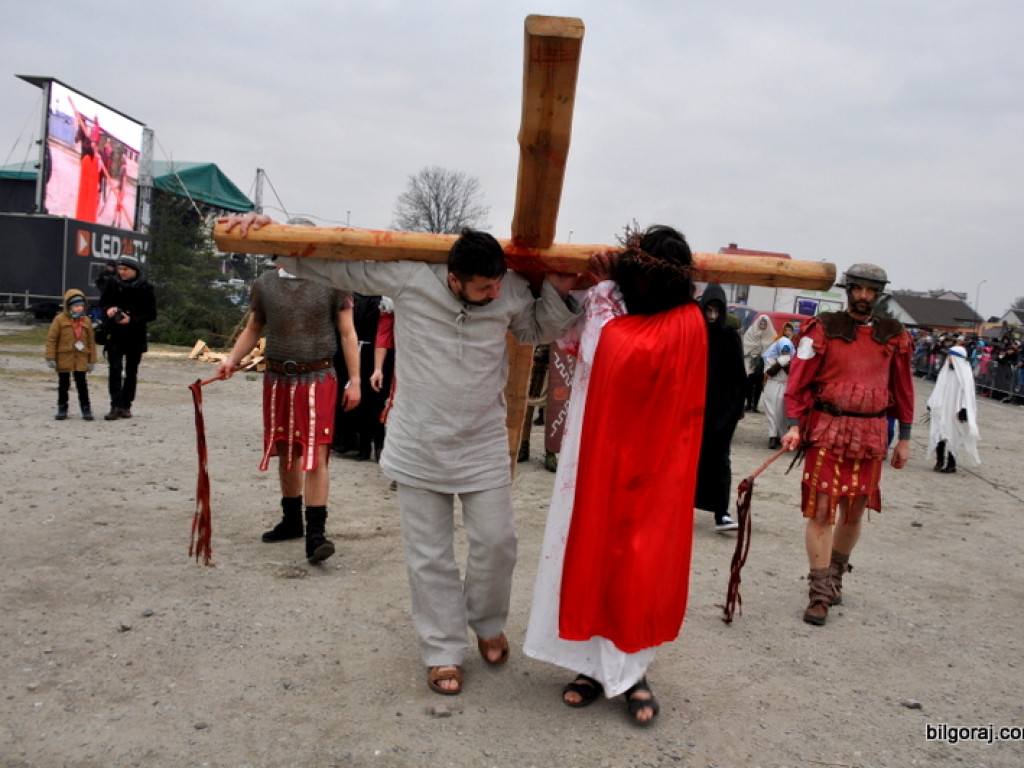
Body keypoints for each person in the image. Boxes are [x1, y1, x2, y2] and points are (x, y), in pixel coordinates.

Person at [222, 215, 583, 696]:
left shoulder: (510, 289)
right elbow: (338, 270)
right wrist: (274, 238)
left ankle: (488, 621)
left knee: (498, 543)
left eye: (496, 285)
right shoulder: (411, 278)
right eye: (481, 287)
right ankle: (441, 650)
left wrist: (557, 291)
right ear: (453, 278)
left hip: (482, 442)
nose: (494, 294)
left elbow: (536, 329)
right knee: (429, 554)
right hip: (418, 442)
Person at [524, 224, 707, 726]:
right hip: (596, 451)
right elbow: (574, 339)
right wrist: (599, 289)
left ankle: (631, 671)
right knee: (588, 550)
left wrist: (602, 290)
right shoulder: (613, 304)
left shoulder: (686, 320)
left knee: (639, 562)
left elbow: (619, 348)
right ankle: (589, 666)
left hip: (655, 464)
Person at [217, 221, 361, 564]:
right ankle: (291, 520)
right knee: (285, 449)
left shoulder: (331, 282)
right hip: (279, 379)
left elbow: (347, 334)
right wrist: (231, 360)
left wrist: (354, 380)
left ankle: (316, 535)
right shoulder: (265, 284)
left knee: (317, 455)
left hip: (318, 377)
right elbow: (253, 328)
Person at [780, 263, 914, 626]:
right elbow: (797, 382)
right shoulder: (822, 329)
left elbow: (903, 388)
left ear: (879, 294)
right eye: (859, 289)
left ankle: (835, 576)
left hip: (871, 436)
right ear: (848, 289)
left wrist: (905, 437)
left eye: (872, 291)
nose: (864, 296)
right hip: (827, 430)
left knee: (854, 512)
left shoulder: (894, 335)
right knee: (822, 509)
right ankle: (819, 593)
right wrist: (793, 424)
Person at [695, 284, 746, 532]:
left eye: (717, 310)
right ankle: (679, 508)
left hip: (720, 412)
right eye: (708, 310)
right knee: (687, 460)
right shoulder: (693, 333)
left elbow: (738, 378)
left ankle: (721, 512)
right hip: (692, 409)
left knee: (719, 461)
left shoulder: (729, 337)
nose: (712, 316)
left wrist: (733, 411)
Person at [99, 255, 157, 420]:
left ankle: (126, 405)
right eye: (120, 269)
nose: (122, 272)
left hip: (135, 334)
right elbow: (102, 303)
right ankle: (115, 405)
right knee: (114, 370)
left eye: (125, 269)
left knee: (131, 372)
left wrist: (132, 318)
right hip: (115, 333)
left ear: (134, 270)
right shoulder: (112, 283)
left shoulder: (146, 288)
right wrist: (109, 310)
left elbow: (152, 314)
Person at [927, 341, 980, 473]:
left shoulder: (965, 375)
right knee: (939, 433)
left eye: (951, 356)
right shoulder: (945, 372)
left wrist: (964, 409)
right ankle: (939, 461)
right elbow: (938, 389)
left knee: (953, 436)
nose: (949, 359)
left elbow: (967, 394)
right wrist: (932, 403)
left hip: (954, 411)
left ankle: (951, 464)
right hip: (942, 409)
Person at [45, 289, 97, 421]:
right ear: (68, 306)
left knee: (82, 385)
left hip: (81, 357)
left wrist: (92, 360)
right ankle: (62, 408)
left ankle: (86, 408)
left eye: (81, 306)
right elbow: (51, 339)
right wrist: (50, 357)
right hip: (64, 357)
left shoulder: (86, 321)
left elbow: (91, 342)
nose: (79, 308)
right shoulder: (59, 320)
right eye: (76, 306)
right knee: (63, 384)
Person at [761, 321, 795, 448]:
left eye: (787, 350)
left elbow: (793, 372)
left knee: (781, 413)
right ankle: (772, 436)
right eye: (783, 350)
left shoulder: (792, 357)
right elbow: (769, 372)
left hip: (785, 386)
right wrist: (780, 363)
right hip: (772, 385)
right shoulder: (771, 356)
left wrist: (787, 362)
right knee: (771, 412)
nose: (785, 352)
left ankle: (781, 435)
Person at [742, 315, 774, 411]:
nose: (762, 325)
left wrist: (762, 346)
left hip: (763, 362)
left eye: (764, 324)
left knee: (759, 385)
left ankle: (755, 405)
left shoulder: (771, 334)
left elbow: (772, 347)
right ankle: (748, 404)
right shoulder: (751, 332)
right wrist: (756, 346)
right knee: (749, 384)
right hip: (751, 360)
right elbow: (746, 343)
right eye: (761, 323)